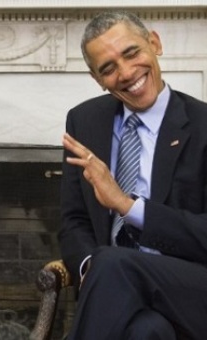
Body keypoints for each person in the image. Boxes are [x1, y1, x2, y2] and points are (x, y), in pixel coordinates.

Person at [59, 10, 207, 340]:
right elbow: (73, 221)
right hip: (120, 295)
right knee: (146, 332)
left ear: (154, 43)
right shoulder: (83, 122)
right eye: (108, 69)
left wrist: (128, 207)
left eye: (132, 53)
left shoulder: (202, 124)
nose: (126, 73)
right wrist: (87, 269)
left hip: (195, 289)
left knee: (112, 263)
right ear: (97, 79)